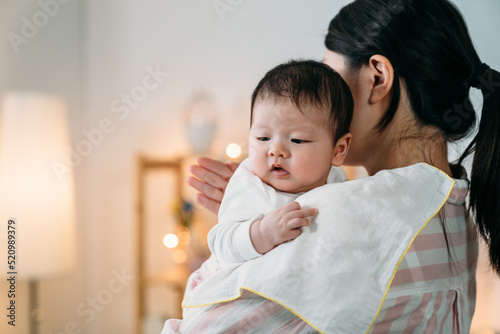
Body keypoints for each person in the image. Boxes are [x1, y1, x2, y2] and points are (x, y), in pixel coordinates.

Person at [164, 0, 500, 332]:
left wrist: (243, 247)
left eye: (329, 74)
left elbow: (200, 326)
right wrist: (259, 213)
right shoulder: (456, 212)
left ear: (377, 77)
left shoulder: (344, 216)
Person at [208, 60, 353, 267]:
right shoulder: (249, 184)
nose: (275, 150)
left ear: (338, 150)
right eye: (263, 138)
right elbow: (220, 243)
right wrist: (263, 233)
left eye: (297, 140)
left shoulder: (339, 184)